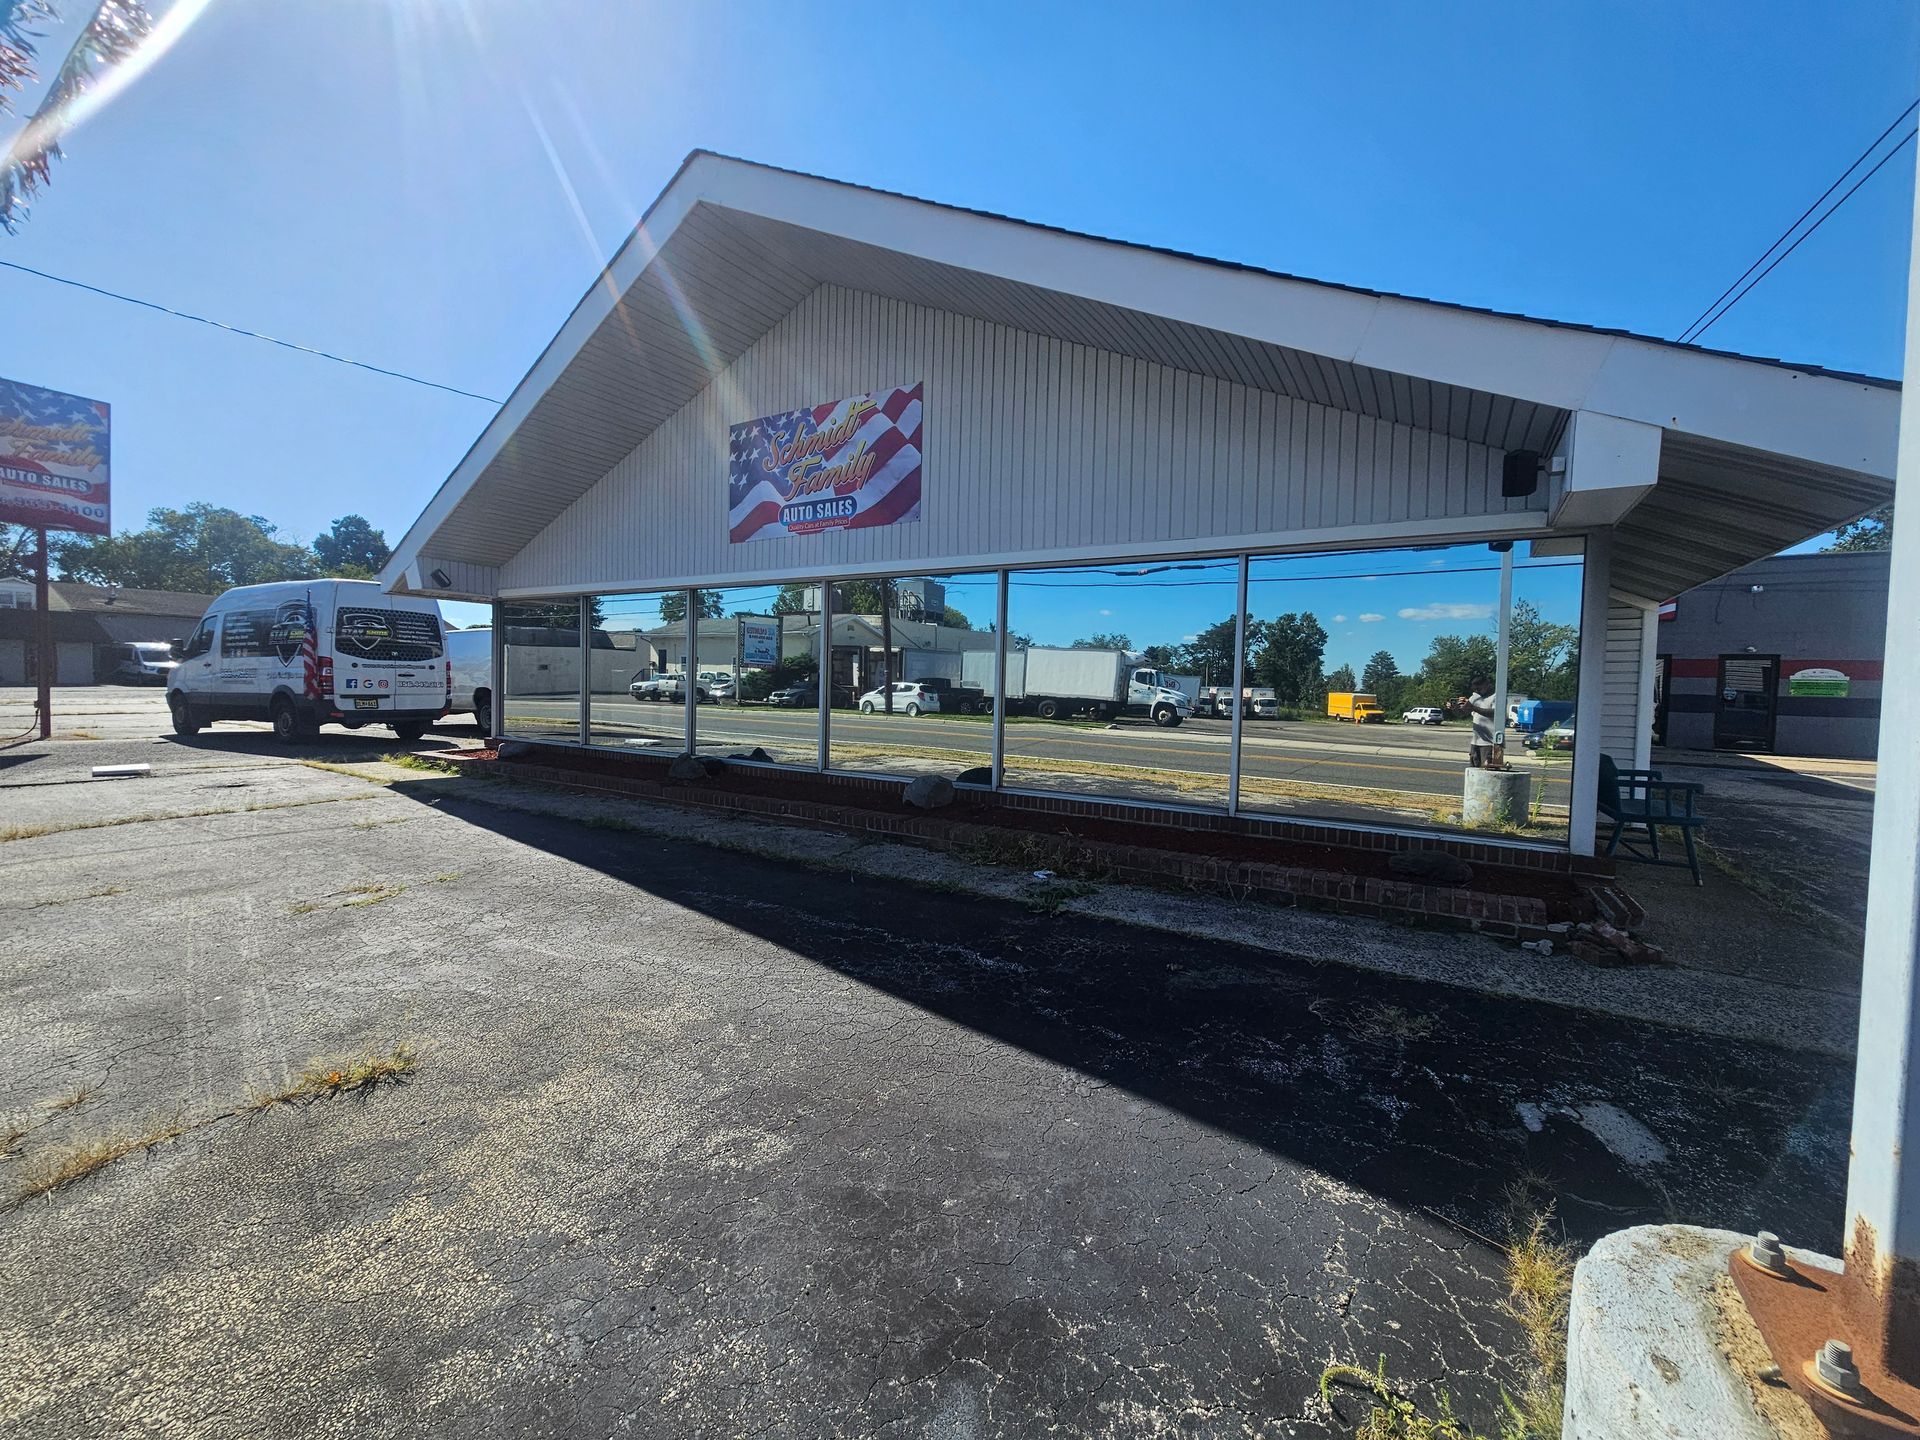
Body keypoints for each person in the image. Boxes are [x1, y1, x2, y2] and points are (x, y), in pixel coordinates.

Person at [1460, 677, 1498, 768]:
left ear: (1487, 685)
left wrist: (1474, 708)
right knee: (1474, 769)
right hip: (1476, 741)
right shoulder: (1475, 697)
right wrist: (1455, 708)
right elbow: (1462, 713)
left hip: (1490, 742)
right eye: (1475, 689)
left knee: (1487, 769)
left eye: (1479, 688)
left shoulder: (1496, 696)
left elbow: (1494, 713)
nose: (1477, 691)